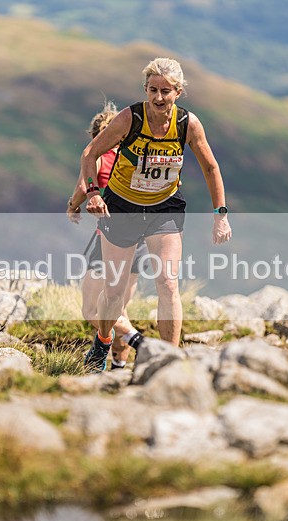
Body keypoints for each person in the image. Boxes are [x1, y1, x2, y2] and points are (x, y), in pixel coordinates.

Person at [79, 57, 232, 372]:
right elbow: (90, 153)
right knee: (114, 290)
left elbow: (211, 167)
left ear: (178, 92)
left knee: (168, 282)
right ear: (145, 90)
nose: (159, 98)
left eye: (166, 91)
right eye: (153, 90)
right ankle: (104, 339)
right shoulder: (129, 119)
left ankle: (168, 361)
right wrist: (94, 193)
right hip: (122, 208)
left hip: (164, 208)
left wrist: (221, 214)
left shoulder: (188, 124)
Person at [67, 101, 145, 370]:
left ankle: (139, 342)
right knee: (119, 309)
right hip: (143, 237)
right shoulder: (134, 156)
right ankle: (117, 368)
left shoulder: (97, 155)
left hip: (110, 237)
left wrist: (72, 206)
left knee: (93, 310)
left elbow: (82, 186)